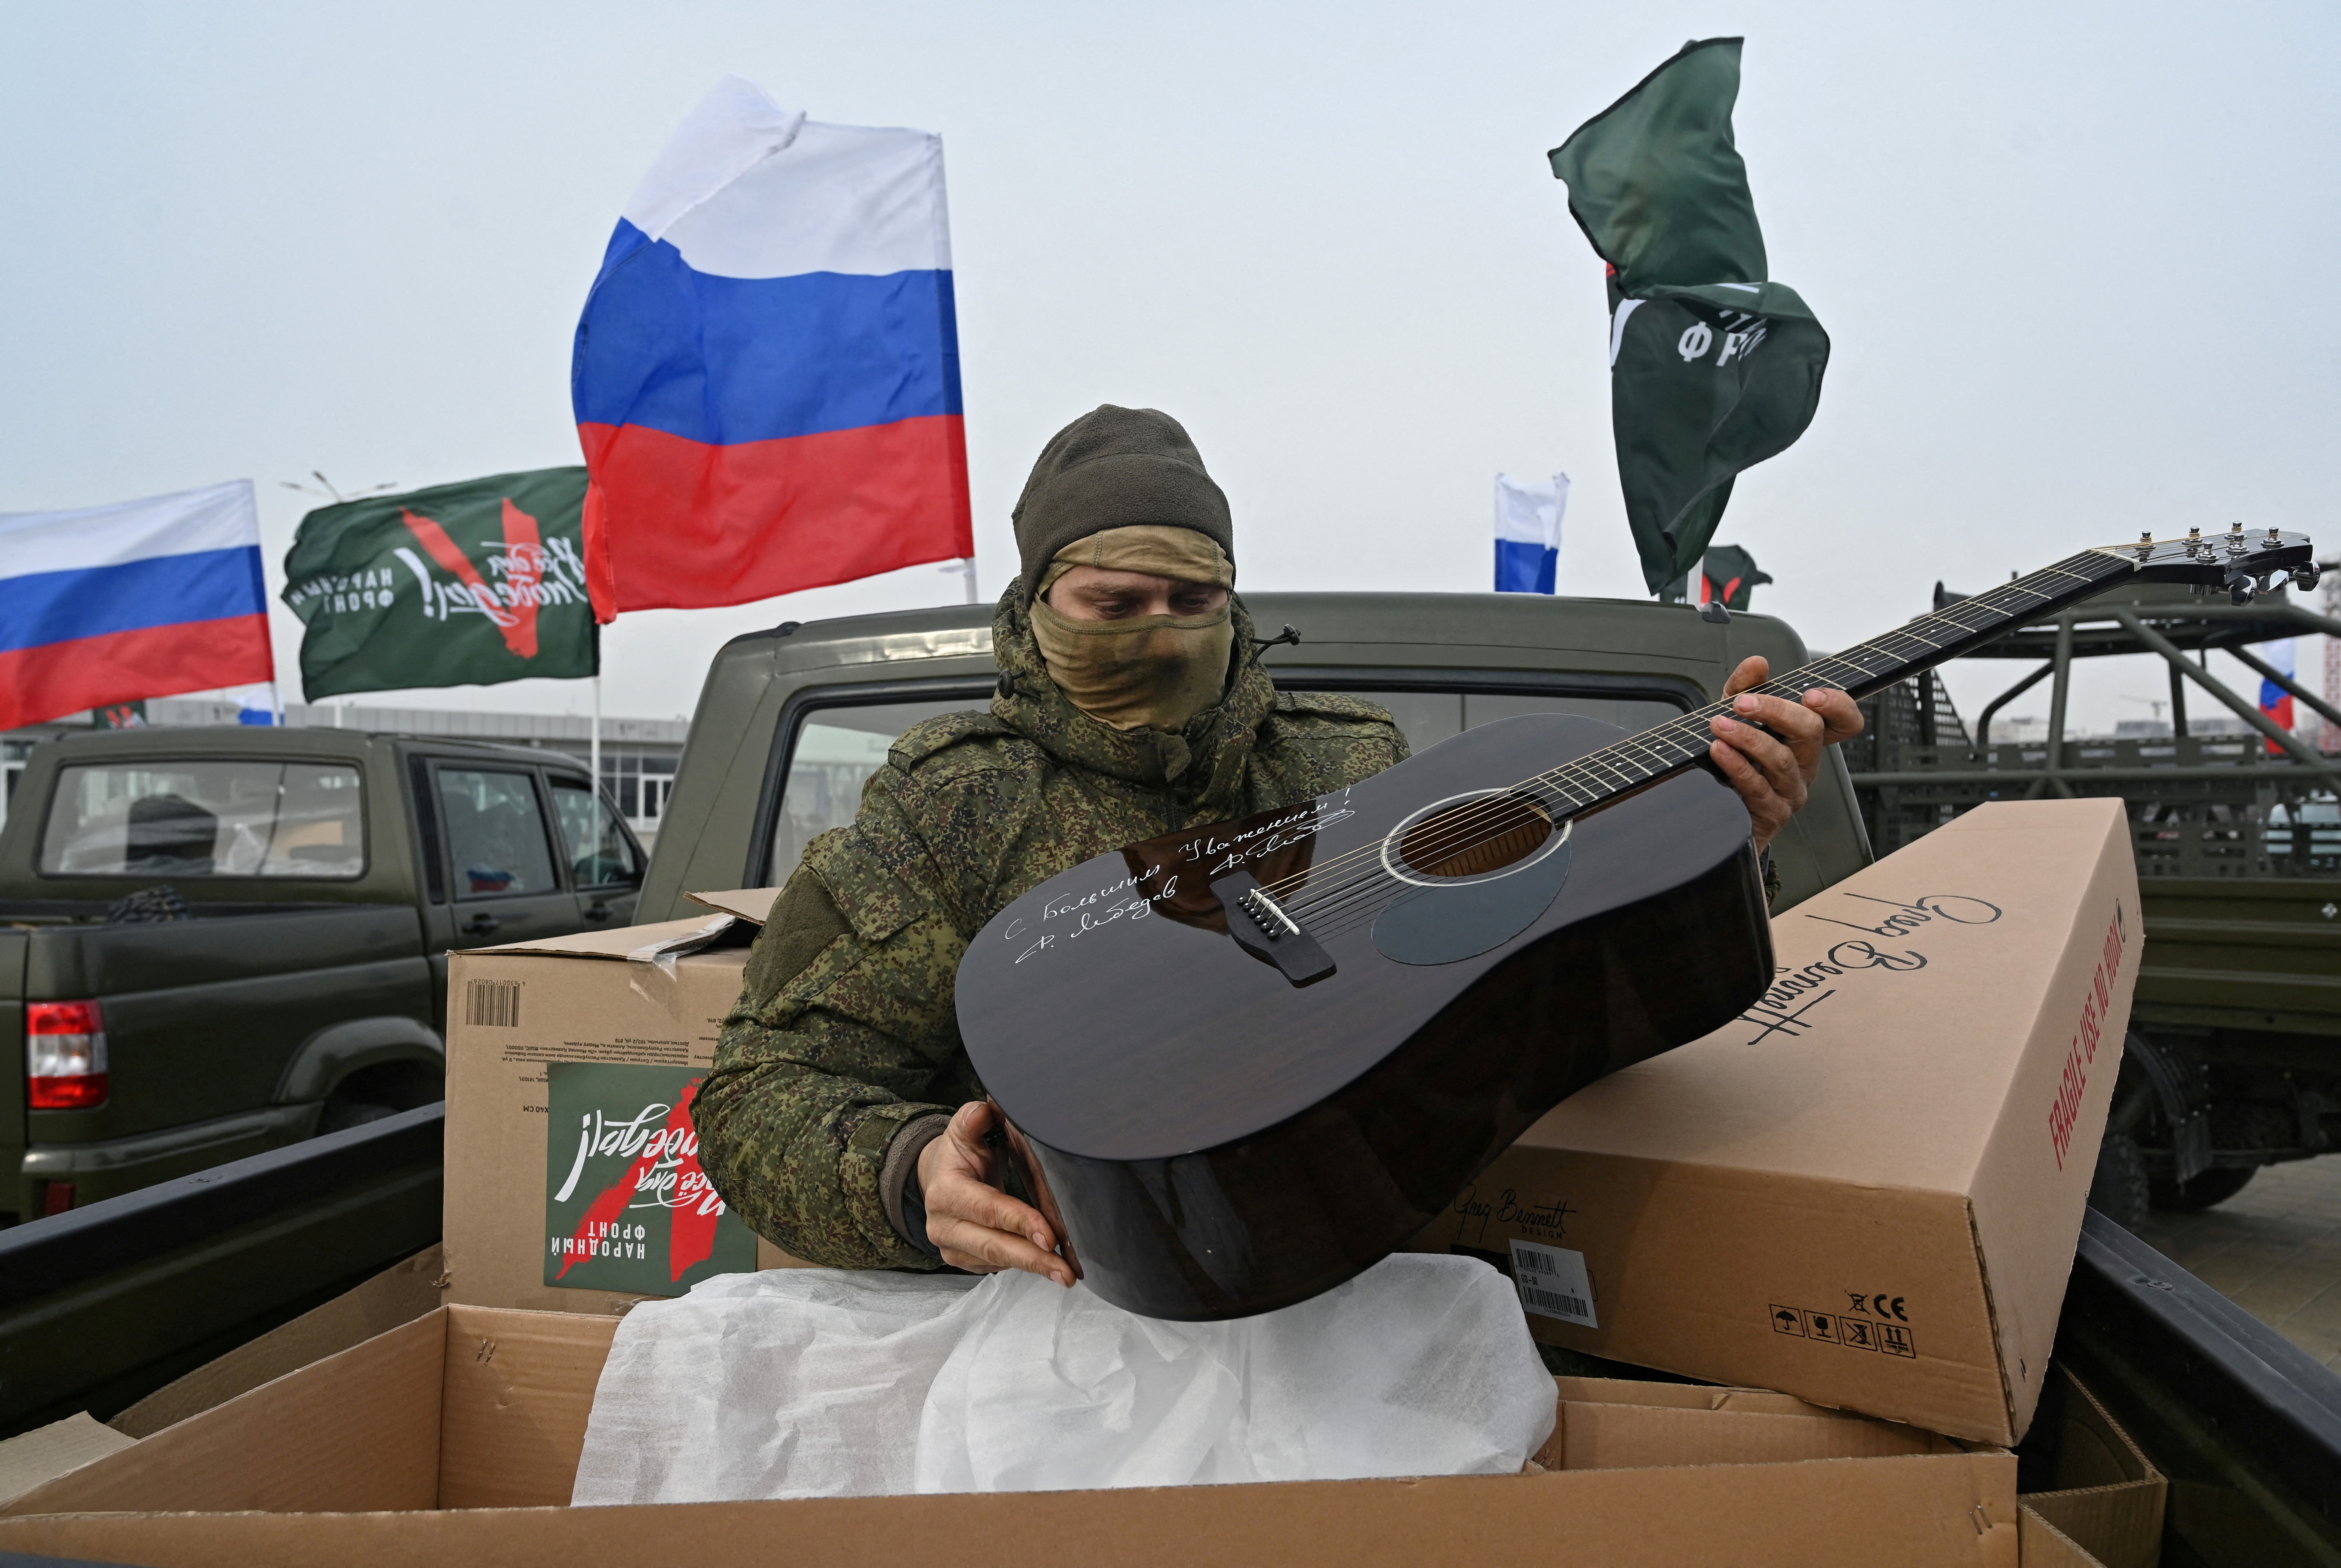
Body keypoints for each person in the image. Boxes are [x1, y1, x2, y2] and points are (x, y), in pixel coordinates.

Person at [695, 405, 1862, 1287]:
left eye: (1190, 601)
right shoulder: (950, 807)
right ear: (1041, 600)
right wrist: (911, 1179)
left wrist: (1725, 835)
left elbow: (1542, 989)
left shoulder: (1345, 768)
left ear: (1233, 602)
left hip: (1369, 1277)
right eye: (1113, 605)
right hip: (1076, 1305)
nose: (1157, 632)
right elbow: (758, 1096)